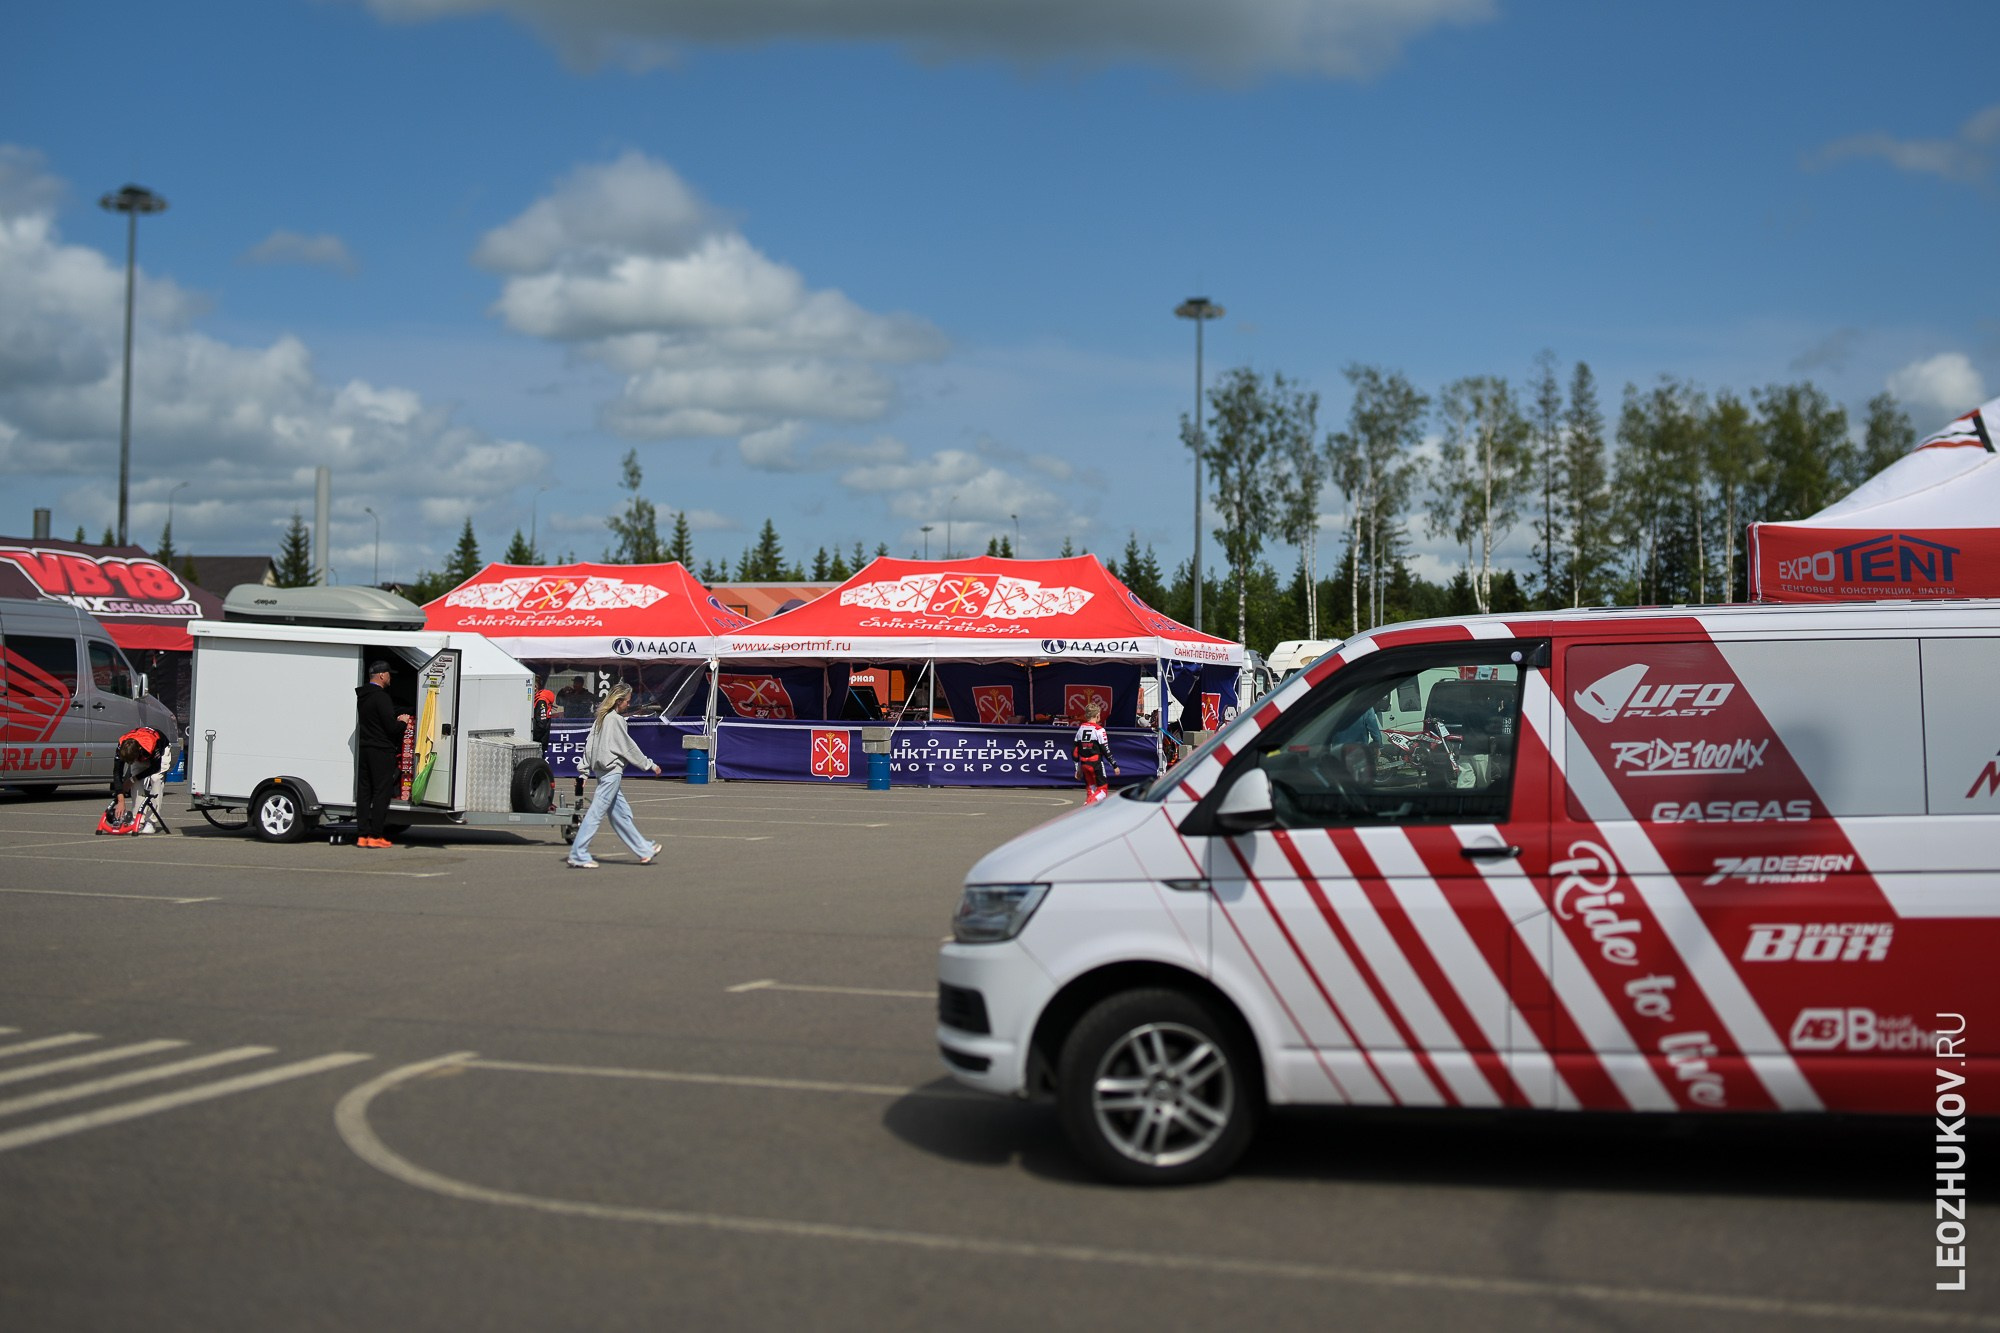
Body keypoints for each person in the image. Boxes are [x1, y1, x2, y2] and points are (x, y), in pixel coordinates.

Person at [567, 682, 661, 870]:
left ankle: (643, 849)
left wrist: (584, 771)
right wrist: (649, 765)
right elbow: (628, 747)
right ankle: (578, 854)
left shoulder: (601, 718)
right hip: (611, 774)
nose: (628, 704)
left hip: (603, 773)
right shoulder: (616, 720)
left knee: (620, 815)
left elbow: (589, 745)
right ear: (618, 701)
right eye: (627, 701)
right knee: (595, 813)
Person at [355, 661, 412, 849]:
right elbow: (390, 727)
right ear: (381, 675)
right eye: (389, 674)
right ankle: (376, 835)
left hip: (365, 749)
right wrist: (403, 722)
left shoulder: (362, 696)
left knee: (364, 791)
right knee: (381, 793)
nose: (390, 677)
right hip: (381, 750)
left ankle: (362, 835)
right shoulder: (381, 697)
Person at [103, 725, 168, 832]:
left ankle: (152, 821)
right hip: (140, 750)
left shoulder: (152, 744)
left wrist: (132, 779)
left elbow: (155, 767)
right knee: (136, 783)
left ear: (138, 751)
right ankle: (138, 819)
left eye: (132, 761)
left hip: (160, 749)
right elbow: (117, 772)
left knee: (155, 779)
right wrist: (121, 800)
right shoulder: (121, 746)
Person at [1071, 700, 1118, 806]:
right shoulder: (1099, 730)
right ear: (1097, 715)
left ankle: (1089, 811)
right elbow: (1105, 749)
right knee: (1102, 790)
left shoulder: (1081, 729)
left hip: (1084, 763)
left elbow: (1074, 750)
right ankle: (1088, 804)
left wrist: (1077, 768)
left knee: (1091, 788)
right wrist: (1114, 765)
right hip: (1095, 762)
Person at [531, 673, 557, 746]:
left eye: (534, 686)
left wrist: (533, 738)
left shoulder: (541, 701)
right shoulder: (536, 699)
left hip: (538, 742)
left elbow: (541, 724)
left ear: (537, 687)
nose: (533, 688)